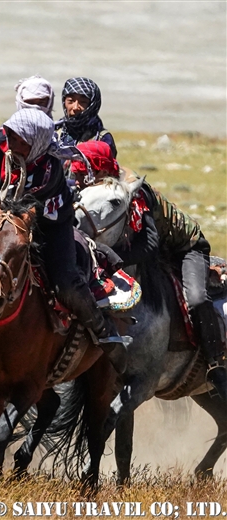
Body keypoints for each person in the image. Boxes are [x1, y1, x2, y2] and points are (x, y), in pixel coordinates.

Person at [0, 109, 129, 374]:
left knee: (66, 281)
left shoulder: (49, 167)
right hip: (3, 227)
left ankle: (105, 333)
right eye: (10, 136)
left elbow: (24, 206)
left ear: (39, 144)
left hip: (49, 227)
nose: (13, 144)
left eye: (22, 141)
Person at [71, 141, 227, 399]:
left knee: (197, 298)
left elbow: (150, 244)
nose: (77, 174)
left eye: (83, 168)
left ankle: (215, 365)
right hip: (150, 250)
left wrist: (109, 257)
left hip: (186, 248)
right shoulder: (95, 190)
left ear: (99, 170)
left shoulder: (135, 193)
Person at [55, 77, 117, 158]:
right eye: (70, 101)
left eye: (83, 102)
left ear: (92, 105)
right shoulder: (55, 132)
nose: (75, 107)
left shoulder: (102, 139)